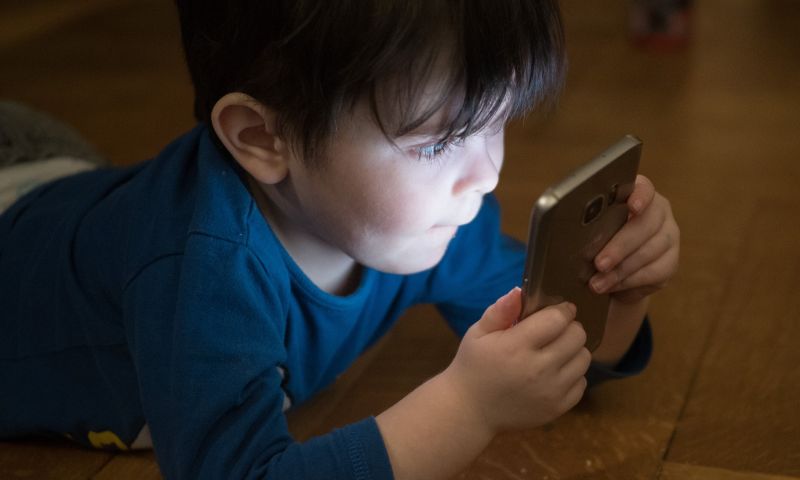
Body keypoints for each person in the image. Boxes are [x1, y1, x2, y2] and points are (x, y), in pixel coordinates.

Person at [0, 1, 680, 479]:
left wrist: (620, 291)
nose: (487, 172)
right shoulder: (201, 274)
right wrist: (466, 407)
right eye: (440, 141)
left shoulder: (431, 216)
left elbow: (561, 352)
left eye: (495, 119)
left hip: (67, 191)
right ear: (265, 138)